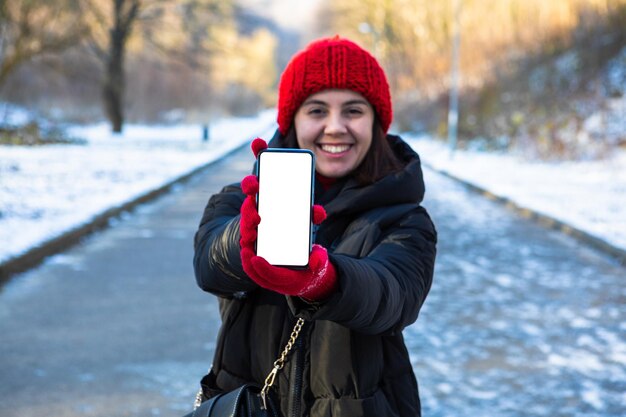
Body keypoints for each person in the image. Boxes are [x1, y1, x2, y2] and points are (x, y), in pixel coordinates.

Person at [193, 36, 437, 417]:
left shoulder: (405, 219)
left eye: (353, 111)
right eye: (317, 110)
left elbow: (393, 296)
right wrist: (244, 239)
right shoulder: (240, 201)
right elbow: (210, 267)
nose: (335, 127)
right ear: (292, 119)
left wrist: (326, 281)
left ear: (376, 121)